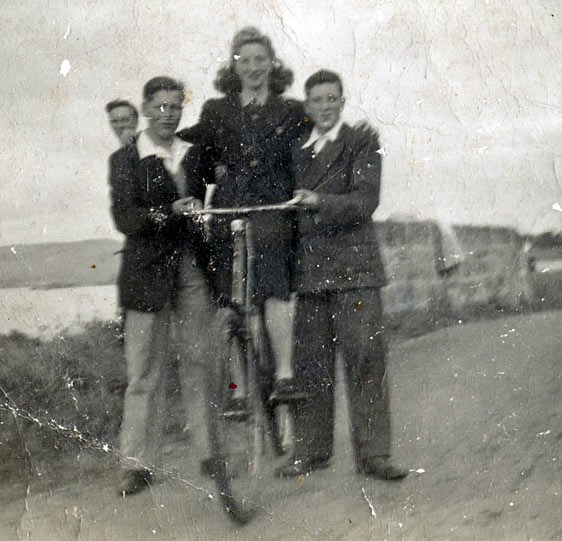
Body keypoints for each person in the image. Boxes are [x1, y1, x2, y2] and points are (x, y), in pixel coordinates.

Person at [276, 70, 407, 481]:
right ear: (307, 106)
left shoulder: (363, 143)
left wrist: (318, 202)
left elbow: (366, 200)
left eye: (332, 98)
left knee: (365, 361)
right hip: (312, 274)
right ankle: (311, 452)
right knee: (311, 365)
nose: (325, 106)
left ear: (343, 102)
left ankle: (374, 456)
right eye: (317, 100)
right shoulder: (296, 151)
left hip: (356, 272)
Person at [109, 76, 225, 496]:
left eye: (175, 106)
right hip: (146, 278)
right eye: (160, 106)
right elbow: (126, 219)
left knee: (200, 363)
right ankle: (137, 464)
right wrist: (170, 211)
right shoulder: (125, 159)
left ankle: (210, 453)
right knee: (144, 373)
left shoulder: (192, 154)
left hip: (192, 271)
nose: (168, 114)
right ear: (145, 108)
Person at [187, 26, 310, 415]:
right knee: (230, 297)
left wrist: (299, 195)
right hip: (228, 209)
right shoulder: (215, 110)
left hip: (273, 208)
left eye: (261, 59)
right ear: (233, 66)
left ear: (273, 64)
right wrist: (194, 194)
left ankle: (285, 375)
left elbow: (302, 162)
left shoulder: (291, 111)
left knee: (273, 285)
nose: (253, 67)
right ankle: (238, 389)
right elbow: (198, 162)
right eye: (245, 60)